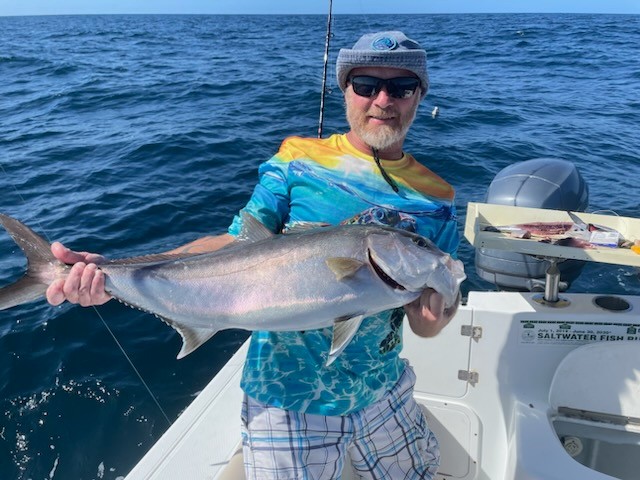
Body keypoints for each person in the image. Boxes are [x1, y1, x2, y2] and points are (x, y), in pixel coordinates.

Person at [47, 31, 460, 480]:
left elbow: (427, 319)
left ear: (420, 95)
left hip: (381, 387)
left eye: (400, 87)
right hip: (286, 395)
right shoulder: (299, 160)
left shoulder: (437, 198)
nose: (383, 100)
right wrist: (109, 272)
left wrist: (435, 316)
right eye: (366, 85)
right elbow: (234, 242)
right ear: (346, 90)